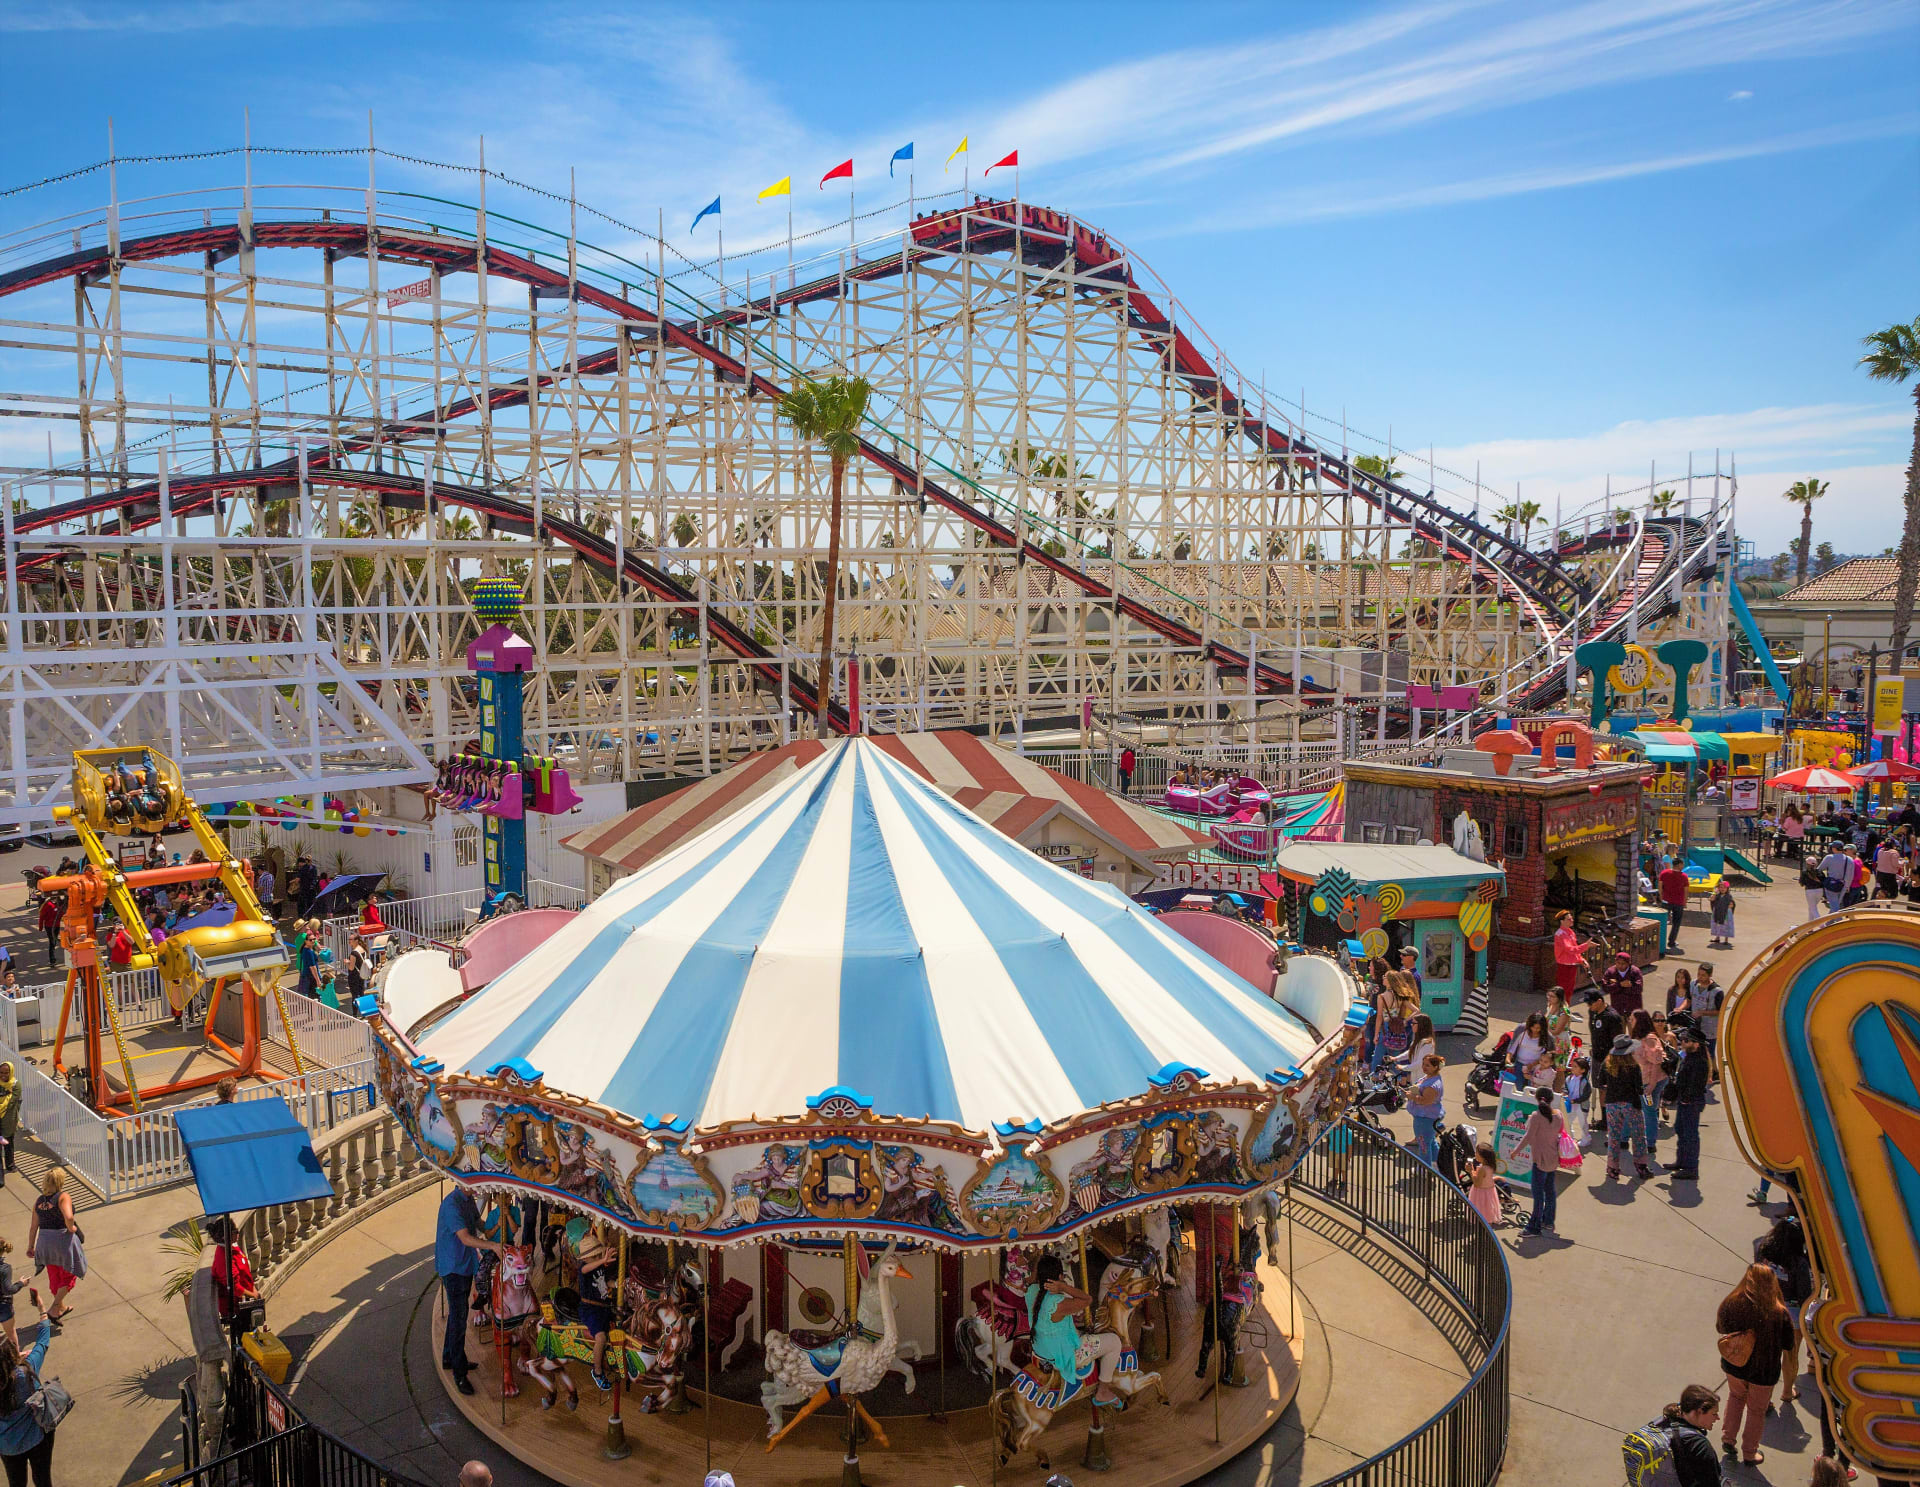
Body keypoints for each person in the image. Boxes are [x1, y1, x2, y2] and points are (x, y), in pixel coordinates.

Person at [1716, 1262, 1796, 1466]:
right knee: (1756, 1411)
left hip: (1735, 1365)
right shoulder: (1779, 1313)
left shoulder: (1733, 1302)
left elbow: (1720, 1327)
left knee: (1735, 1397)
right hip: (1764, 1372)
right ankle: (1750, 1453)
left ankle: (1728, 1438)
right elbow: (1788, 1344)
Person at [1026, 1253, 1124, 1407]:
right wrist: (1063, 1287)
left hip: (1040, 1348)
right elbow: (1087, 1299)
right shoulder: (1058, 1303)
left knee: (1081, 1329)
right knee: (1114, 1342)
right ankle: (1103, 1392)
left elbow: (1033, 1279)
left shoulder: (1031, 1291)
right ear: (1060, 1276)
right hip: (1060, 1354)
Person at [435, 1184, 501, 1396]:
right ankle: (459, 1373)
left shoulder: (468, 1200)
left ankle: (449, 1357)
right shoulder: (451, 1206)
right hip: (453, 1268)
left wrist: (497, 1224)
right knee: (459, 1318)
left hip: (464, 1263)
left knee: (458, 1315)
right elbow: (465, 1237)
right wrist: (492, 1246)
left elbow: (478, 1223)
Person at [0, 1288, 55, 1486]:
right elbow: (43, 1342)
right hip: (37, 1437)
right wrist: (41, 1308)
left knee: (16, 1482)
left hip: (7, 1445)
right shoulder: (27, 1370)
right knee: (43, 1478)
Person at [25, 1170, 83, 1324]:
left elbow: (33, 1227)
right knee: (70, 1273)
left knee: (54, 1274)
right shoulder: (63, 1197)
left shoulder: (38, 1201)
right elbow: (69, 1217)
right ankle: (54, 1308)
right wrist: (71, 1228)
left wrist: (31, 1246)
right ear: (60, 1182)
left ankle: (61, 1307)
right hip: (61, 1241)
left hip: (44, 1242)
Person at [1639, 1383, 1724, 1486]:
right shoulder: (1700, 1446)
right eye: (1714, 1414)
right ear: (1699, 1411)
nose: (1717, 1418)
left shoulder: (1664, 1422)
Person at [1601, 1034, 1652, 1180]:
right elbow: (1639, 1088)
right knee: (1638, 1135)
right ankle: (1641, 1165)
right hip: (1631, 1103)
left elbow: (1601, 1082)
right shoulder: (1633, 1067)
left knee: (1614, 1136)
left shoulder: (1607, 1065)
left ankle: (1612, 1167)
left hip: (1612, 1103)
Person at [1520, 1085, 1566, 1237]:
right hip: (1553, 1159)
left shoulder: (1536, 1116)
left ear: (1536, 1098)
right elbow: (1560, 1132)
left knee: (1538, 1195)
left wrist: (1515, 1152)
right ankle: (1548, 1221)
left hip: (1539, 1160)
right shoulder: (1559, 1115)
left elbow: (1528, 1137)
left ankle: (1533, 1227)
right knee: (1550, 1191)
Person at [1668, 1026, 1711, 1181]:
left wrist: (1686, 1097)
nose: (1683, 1043)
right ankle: (1681, 1161)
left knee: (1690, 1135)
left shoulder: (1699, 1062)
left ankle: (1691, 1168)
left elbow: (1695, 1085)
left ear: (1696, 1044)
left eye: (1686, 1040)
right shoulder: (1689, 1057)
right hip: (1684, 1100)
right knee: (1680, 1130)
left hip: (1691, 1102)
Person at [1630, 1010, 1672, 1158]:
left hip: (1652, 1081)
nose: (1630, 1021)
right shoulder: (1638, 1037)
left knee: (1649, 1111)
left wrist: (1652, 1085)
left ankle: (1650, 1143)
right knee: (1643, 1109)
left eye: (1632, 1019)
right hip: (1642, 1080)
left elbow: (1657, 1062)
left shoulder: (1650, 1039)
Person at [207, 1217, 258, 1320]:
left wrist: (253, 1289)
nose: (238, 1233)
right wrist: (254, 1295)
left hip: (246, 1299)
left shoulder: (232, 1247)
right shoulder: (224, 1258)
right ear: (226, 1236)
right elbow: (235, 1288)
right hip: (237, 1309)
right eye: (236, 1232)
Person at [1407, 1053, 1445, 1164]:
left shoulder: (1432, 1085)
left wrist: (1412, 1096)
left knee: (1423, 1145)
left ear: (1435, 1067)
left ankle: (1425, 1168)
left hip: (1425, 1118)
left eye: (1427, 1065)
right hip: (1424, 1116)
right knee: (1431, 1141)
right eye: (1423, 1064)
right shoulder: (1428, 1077)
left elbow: (1426, 1101)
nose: (1424, 1067)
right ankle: (1436, 1165)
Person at [1691, 964, 1725, 1077]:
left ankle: (1712, 1073)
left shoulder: (1717, 991)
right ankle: (1712, 1071)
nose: (1700, 977)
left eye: (1703, 975)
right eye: (1699, 974)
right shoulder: (1693, 984)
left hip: (1710, 1028)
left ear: (1710, 975)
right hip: (1696, 1024)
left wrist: (1702, 1012)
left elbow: (1720, 1011)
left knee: (1709, 1052)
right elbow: (1689, 999)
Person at [1551, 910, 1593, 995]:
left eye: (1571, 918)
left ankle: (1566, 1004)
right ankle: (1562, 1004)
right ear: (1562, 921)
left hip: (1572, 964)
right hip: (1564, 965)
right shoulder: (1560, 934)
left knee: (1569, 990)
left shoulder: (1571, 932)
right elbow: (1570, 949)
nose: (1572, 920)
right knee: (1563, 990)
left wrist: (1581, 960)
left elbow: (1575, 948)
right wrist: (1586, 945)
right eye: (1569, 919)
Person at [1508, 1013, 1552, 1088]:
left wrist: (1532, 1065)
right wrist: (1508, 1059)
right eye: (1533, 1027)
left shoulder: (1547, 1037)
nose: (1535, 1030)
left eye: (1538, 1028)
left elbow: (1547, 1055)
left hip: (1536, 1068)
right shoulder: (1521, 1030)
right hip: (1519, 1064)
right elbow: (1512, 1047)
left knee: (1532, 1089)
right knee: (1517, 1086)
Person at [1465, 1142, 1503, 1228]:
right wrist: (1473, 1170)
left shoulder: (1482, 1169)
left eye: (1477, 1153)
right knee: (1488, 1211)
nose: (1475, 1154)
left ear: (1483, 1156)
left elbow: (1477, 1183)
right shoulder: (1490, 1166)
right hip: (1489, 1192)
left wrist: (1470, 1171)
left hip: (1480, 1193)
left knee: (1480, 1210)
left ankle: (1481, 1228)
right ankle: (1487, 1227)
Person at [1659, 858, 1692, 951]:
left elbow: (1660, 886)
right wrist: (1685, 902)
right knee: (1676, 923)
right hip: (1678, 902)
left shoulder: (1664, 873)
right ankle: (1671, 941)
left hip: (1666, 901)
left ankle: (1660, 941)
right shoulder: (1684, 876)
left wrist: (1661, 896)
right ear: (1679, 865)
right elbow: (1686, 890)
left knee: (1663, 922)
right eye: (1682, 864)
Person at [1600, 949, 1644, 1017]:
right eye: (1618, 963)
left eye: (1623, 964)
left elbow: (1639, 988)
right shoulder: (1610, 972)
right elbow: (1605, 987)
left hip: (1633, 1008)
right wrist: (1619, 985)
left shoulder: (1635, 972)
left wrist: (1629, 986)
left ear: (1628, 963)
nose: (1620, 966)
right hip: (1618, 1007)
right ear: (1615, 961)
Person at [1819, 842, 1852, 915]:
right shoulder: (1849, 859)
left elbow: (1819, 869)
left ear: (1834, 848)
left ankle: (1838, 920)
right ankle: (1829, 921)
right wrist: (1847, 886)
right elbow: (1850, 875)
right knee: (1836, 905)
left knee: (1834, 907)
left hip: (1830, 884)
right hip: (1843, 885)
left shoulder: (1829, 857)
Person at [0, 1064, 18, 1181]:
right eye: (1, 1072)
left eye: (6, 1072)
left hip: (8, 1119)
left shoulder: (15, 1084)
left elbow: (13, 1101)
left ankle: (10, 1164)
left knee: (8, 1142)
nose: (3, 1075)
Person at [1708, 880, 1736, 950]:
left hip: (1726, 914)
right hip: (1718, 913)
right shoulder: (1717, 895)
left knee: (1726, 926)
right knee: (1718, 925)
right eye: (1720, 887)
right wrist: (1714, 894)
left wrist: (1731, 905)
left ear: (1727, 889)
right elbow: (1712, 900)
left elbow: (1732, 904)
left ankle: (1726, 939)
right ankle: (1717, 938)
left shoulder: (1729, 896)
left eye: (1724, 887)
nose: (1722, 889)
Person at [1875, 836, 1905, 900]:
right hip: (1889, 876)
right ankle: (1887, 903)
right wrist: (1903, 862)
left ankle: (1882, 903)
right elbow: (1896, 864)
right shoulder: (1894, 852)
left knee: (1883, 891)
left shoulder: (1880, 850)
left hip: (1880, 874)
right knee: (1892, 894)